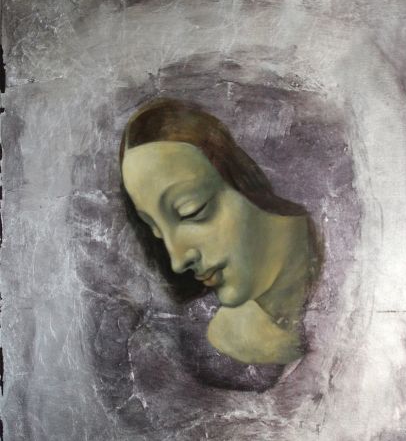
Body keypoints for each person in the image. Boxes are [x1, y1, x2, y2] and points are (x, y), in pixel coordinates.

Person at [120, 98, 320, 365]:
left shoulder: (354, 268)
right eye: (156, 230)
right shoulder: (202, 347)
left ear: (247, 178)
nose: (178, 261)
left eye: (190, 211)